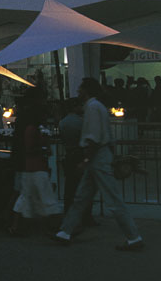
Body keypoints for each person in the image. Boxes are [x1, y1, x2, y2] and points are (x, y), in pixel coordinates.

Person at [52, 78, 144, 251]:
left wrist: (86, 159)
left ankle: (133, 237)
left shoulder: (93, 108)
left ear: (86, 90)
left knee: (108, 198)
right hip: (99, 156)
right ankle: (64, 232)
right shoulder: (97, 107)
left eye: (80, 88)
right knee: (83, 197)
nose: (78, 91)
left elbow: (93, 138)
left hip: (96, 157)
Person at [8, 94, 60, 236]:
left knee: (25, 197)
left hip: (28, 167)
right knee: (46, 197)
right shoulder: (33, 130)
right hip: (36, 167)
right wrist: (44, 149)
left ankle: (16, 225)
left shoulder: (28, 128)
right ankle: (56, 227)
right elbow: (30, 148)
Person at [59, 97, 96, 227]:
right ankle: (86, 216)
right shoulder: (81, 122)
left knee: (69, 187)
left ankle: (68, 213)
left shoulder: (63, 122)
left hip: (68, 154)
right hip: (79, 154)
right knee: (84, 187)